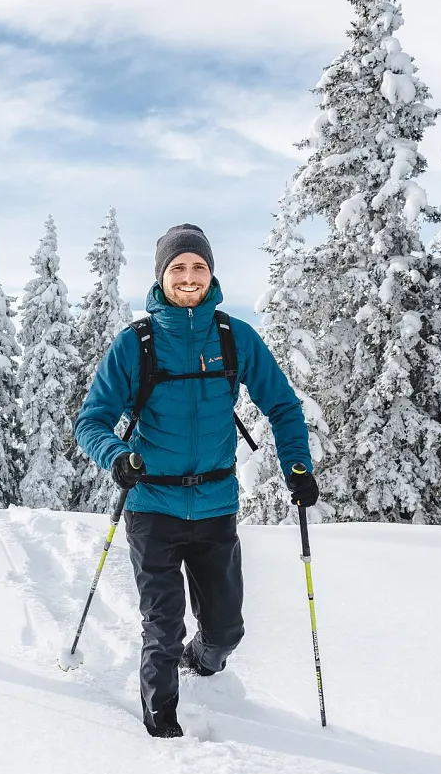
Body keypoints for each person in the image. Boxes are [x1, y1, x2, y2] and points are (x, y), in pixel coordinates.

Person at [74, 224, 317, 739]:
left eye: (197, 267)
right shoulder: (135, 344)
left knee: (226, 629)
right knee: (161, 628)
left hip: (214, 505)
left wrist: (297, 466)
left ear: (210, 274)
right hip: (152, 504)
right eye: (177, 268)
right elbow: (91, 421)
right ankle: (162, 729)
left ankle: (202, 665)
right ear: (161, 276)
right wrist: (117, 456)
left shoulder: (233, 338)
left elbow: (282, 406)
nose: (188, 277)